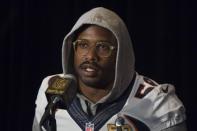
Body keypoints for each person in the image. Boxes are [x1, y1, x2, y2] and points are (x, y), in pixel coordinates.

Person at [32, 7, 187, 131]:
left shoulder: (156, 101)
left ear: (121, 54)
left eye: (103, 47)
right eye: (83, 45)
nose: (90, 56)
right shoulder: (51, 88)